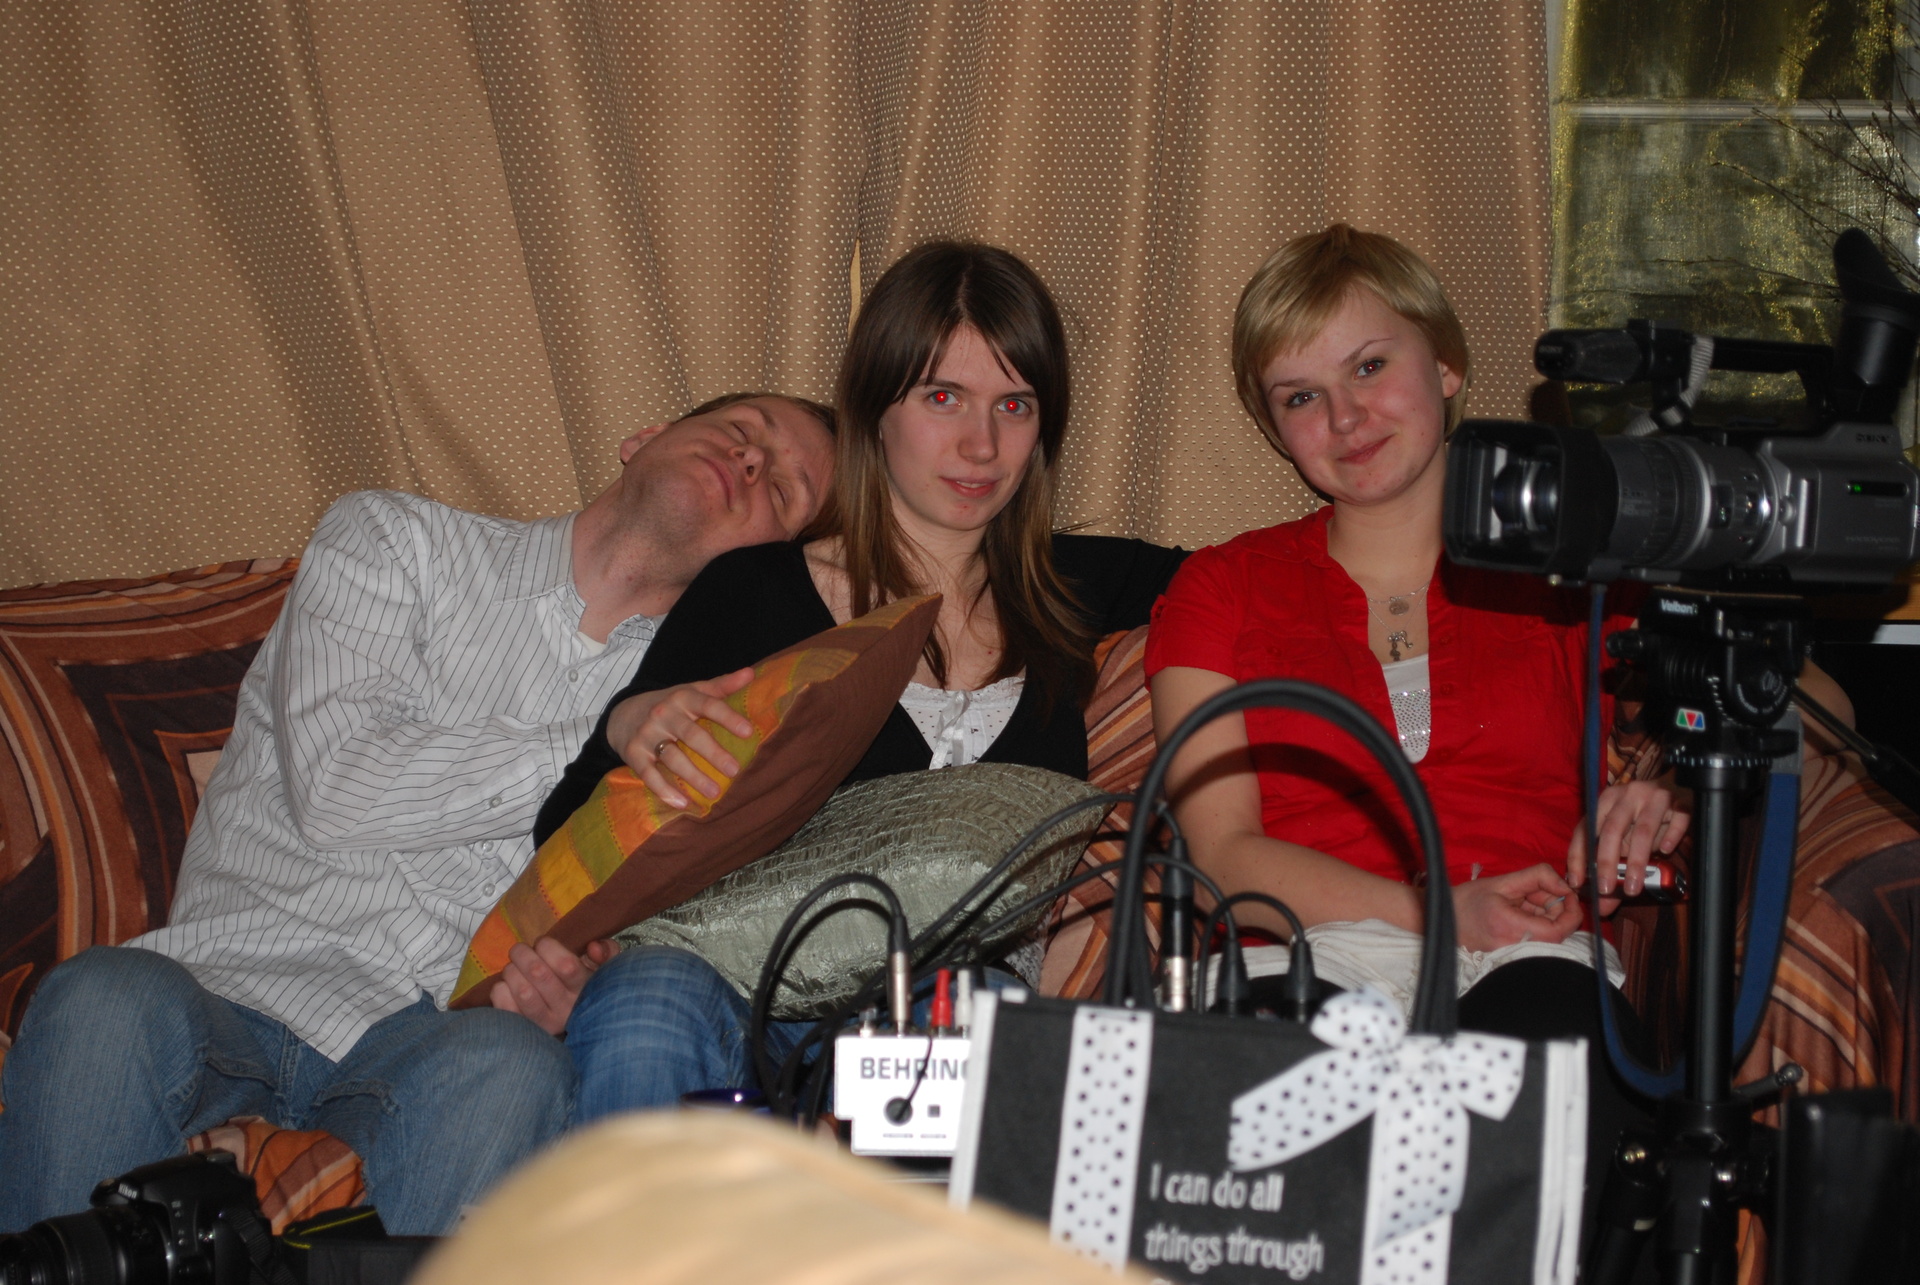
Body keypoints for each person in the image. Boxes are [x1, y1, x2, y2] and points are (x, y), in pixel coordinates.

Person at [1145, 224, 1856, 1237]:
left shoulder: (1570, 570)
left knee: (1551, 1103)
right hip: (1304, 953)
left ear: (1446, 365)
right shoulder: (1221, 586)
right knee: (1274, 1122)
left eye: (1370, 366)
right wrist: (1440, 910)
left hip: (1532, 952)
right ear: (1274, 428)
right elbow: (1223, 850)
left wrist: (1670, 776)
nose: (1344, 417)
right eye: (1300, 396)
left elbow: (1818, 698)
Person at [0, 393, 837, 1234]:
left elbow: (641, 919)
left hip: (435, 1028)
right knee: (100, 996)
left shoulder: (707, 719)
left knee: (514, 1065)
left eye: (784, 490)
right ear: (643, 438)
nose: (752, 461)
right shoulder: (395, 539)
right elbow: (337, 788)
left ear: (771, 564)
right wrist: (604, 738)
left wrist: (573, 993)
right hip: (226, 981)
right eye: (742, 431)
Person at [507, 242, 1186, 1119]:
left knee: (973, 1013)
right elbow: (568, 830)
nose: (981, 444)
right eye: (942, 396)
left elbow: (1278, 579)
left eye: (1014, 405)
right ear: (874, 408)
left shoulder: (1075, 587)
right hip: (737, 989)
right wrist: (627, 723)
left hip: (951, 1007)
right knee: (645, 1005)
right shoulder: (758, 589)